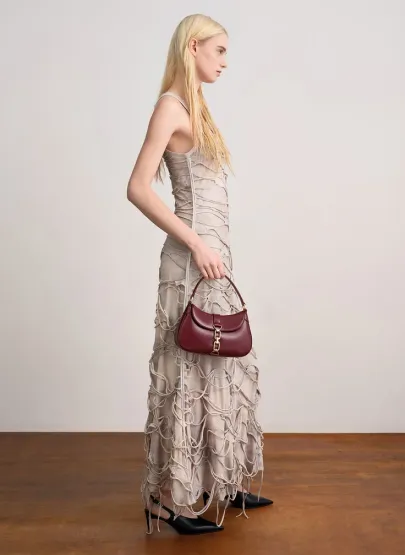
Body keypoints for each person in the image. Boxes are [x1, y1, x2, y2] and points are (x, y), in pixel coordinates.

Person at [126, 13, 273, 536]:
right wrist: (195, 242)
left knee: (224, 365)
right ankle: (172, 501)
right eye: (220, 51)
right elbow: (138, 187)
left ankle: (223, 481)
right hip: (192, 260)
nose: (226, 62)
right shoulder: (170, 107)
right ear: (193, 47)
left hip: (213, 258)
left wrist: (212, 247)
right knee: (188, 371)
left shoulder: (195, 105)